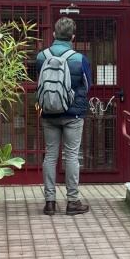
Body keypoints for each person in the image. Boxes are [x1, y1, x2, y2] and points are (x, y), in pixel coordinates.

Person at [36, 17, 92, 215]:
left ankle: (49, 202)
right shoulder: (79, 59)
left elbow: (40, 82)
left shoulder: (41, 57)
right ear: (73, 37)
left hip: (48, 113)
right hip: (73, 114)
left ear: (53, 35)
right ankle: (72, 201)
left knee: (50, 156)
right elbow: (87, 85)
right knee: (71, 156)